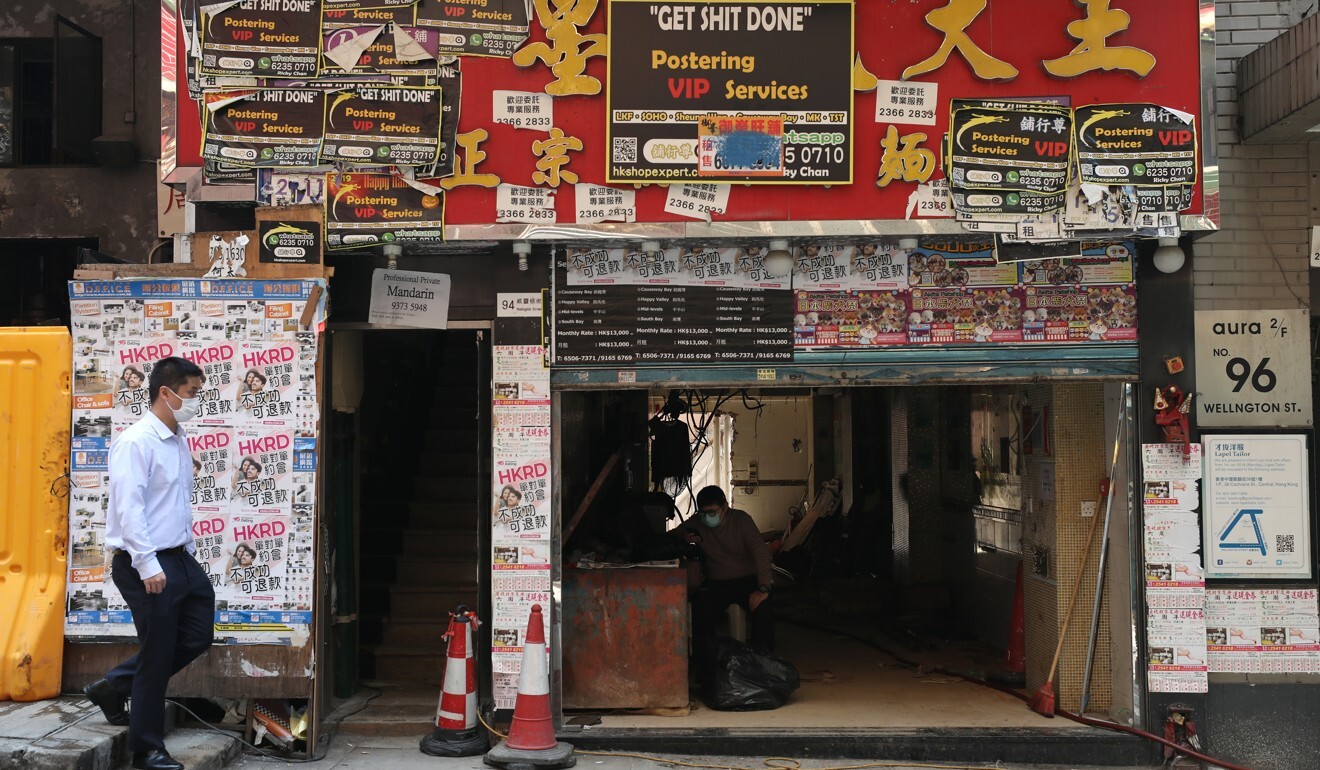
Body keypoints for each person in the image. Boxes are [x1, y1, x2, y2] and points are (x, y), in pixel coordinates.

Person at [83, 357, 214, 770]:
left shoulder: (178, 437)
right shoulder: (136, 441)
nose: (196, 400)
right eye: (191, 392)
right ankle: (147, 749)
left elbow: (174, 503)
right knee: (157, 655)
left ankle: (115, 685)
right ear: (166, 392)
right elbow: (130, 508)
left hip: (179, 557)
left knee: (197, 635)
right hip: (146, 562)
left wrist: (185, 553)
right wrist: (147, 565)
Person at [685, 485, 775, 652]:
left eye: (712, 512)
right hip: (716, 583)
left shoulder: (741, 521)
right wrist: (684, 538)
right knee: (698, 610)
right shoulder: (697, 523)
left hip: (746, 580)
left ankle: (760, 659)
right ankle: (710, 659)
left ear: (725, 507)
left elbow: (761, 553)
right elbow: (673, 535)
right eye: (703, 513)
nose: (707, 517)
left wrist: (763, 588)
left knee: (764, 609)